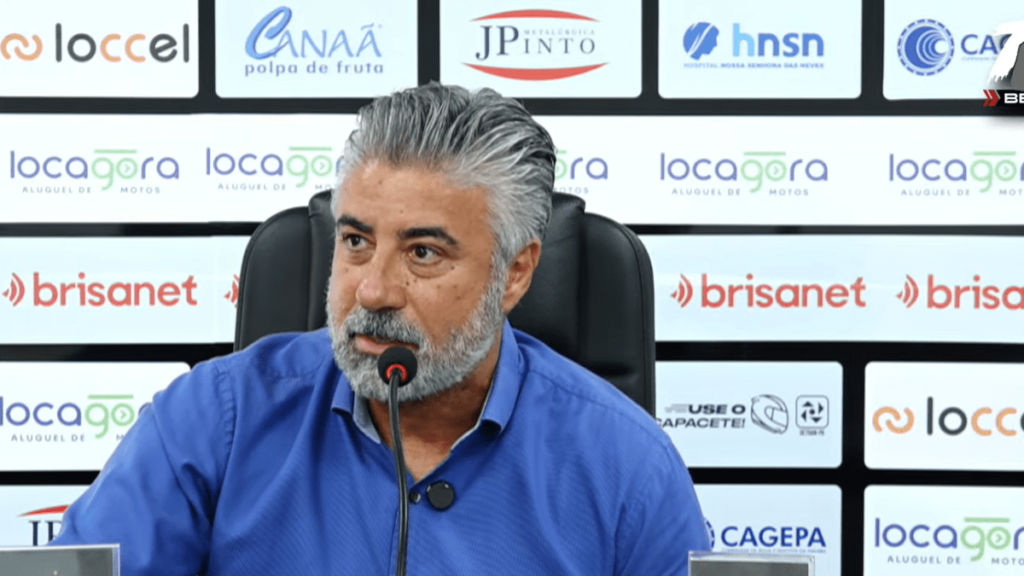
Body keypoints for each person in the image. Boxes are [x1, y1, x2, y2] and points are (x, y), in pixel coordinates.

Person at [52, 83, 710, 574]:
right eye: (356, 241)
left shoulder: (628, 468)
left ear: (514, 273)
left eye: (423, 252)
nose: (372, 290)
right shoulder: (212, 420)